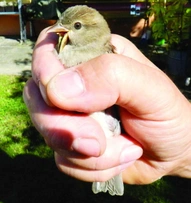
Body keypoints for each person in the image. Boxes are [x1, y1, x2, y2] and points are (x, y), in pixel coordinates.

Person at [23, 28, 191, 185]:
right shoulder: (67, 47)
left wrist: (185, 151)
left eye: (77, 26)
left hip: (115, 122)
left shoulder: (109, 49)